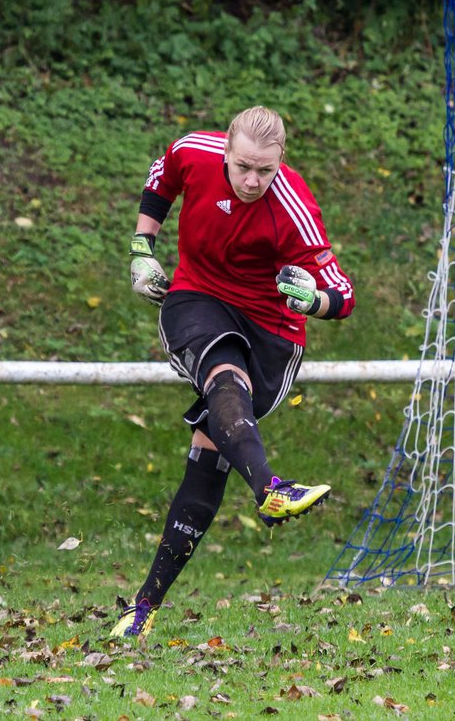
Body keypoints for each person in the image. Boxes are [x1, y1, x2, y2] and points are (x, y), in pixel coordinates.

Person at [112, 105, 356, 639]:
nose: (251, 180)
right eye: (243, 166)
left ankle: (142, 610)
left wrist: (313, 299)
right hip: (197, 298)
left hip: (271, 333)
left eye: (264, 171)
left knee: (207, 462)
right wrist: (141, 248)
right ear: (225, 149)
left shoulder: (292, 205)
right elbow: (162, 178)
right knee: (223, 376)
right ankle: (271, 486)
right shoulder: (194, 151)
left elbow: (343, 295)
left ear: (280, 163)